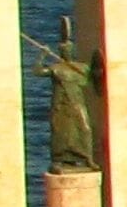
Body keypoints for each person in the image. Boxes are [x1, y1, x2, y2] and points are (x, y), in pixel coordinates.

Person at [30, 16, 102, 172]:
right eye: (64, 51)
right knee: (60, 131)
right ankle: (59, 160)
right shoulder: (56, 68)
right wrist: (43, 54)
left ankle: (87, 158)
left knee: (84, 128)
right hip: (61, 104)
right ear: (62, 53)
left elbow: (96, 74)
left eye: (69, 51)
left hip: (77, 102)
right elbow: (37, 71)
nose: (67, 52)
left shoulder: (82, 68)